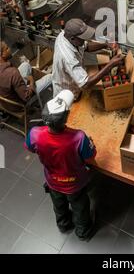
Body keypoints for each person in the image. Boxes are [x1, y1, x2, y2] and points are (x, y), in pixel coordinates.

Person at [25, 90, 97, 240]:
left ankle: (63, 224)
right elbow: (91, 156)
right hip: (74, 184)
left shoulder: (35, 134)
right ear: (66, 118)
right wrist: (91, 144)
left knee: (58, 204)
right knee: (80, 207)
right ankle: (83, 231)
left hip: (52, 181)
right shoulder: (78, 137)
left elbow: (30, 148)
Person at [52, 18, 123, 99]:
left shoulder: (66, 35)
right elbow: (85, 84)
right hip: (66, 95)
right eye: (83, 38)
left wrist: (106, 44)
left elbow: (86, 46)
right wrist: (110, 65)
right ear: (73, 39)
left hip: (75, 84)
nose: (85, 39)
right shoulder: (67, 57)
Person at [0, 41, 52, 113]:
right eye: (7, 48)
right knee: (50, 77)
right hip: (19, 105)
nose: (10, 49)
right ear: (2, 54)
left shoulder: (10, 71)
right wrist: (31, 81)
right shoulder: (12, 72)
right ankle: (51, 109)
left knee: (25, 65)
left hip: (7, 102)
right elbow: (26, 97)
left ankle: (24, 86)